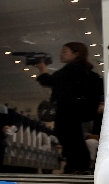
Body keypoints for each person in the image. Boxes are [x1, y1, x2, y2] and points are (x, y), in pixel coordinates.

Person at [35, 42, 103, 173]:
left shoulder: (72, 69)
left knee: (69, 139)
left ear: (76, 54)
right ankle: (77, 167)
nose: (61, 54)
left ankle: (77, 168)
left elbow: (49, 81)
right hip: (75, 113)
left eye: (65, 51)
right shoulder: (83, 70)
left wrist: (42, 68)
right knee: (73, 139)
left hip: (67, 112)